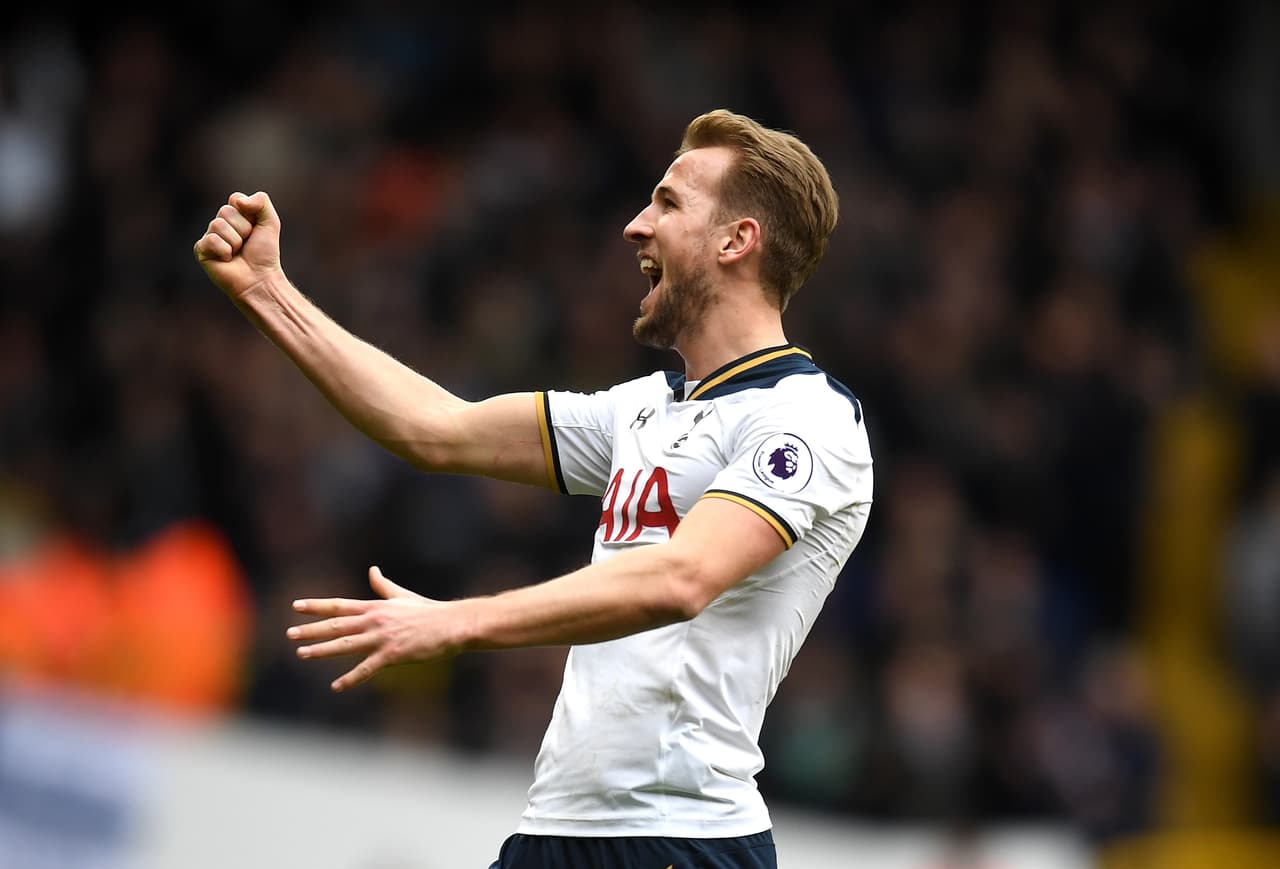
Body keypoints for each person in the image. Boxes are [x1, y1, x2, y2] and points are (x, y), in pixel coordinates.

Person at [193, 109, 873, 869]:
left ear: (736, 240)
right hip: (559, 831)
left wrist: (460, 622)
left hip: (680, 840)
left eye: (669, 203)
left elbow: (684, 577)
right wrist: (266, 291)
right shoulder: (643, 409)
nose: (635, 226)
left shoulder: (807, 418)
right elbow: (434, 427)